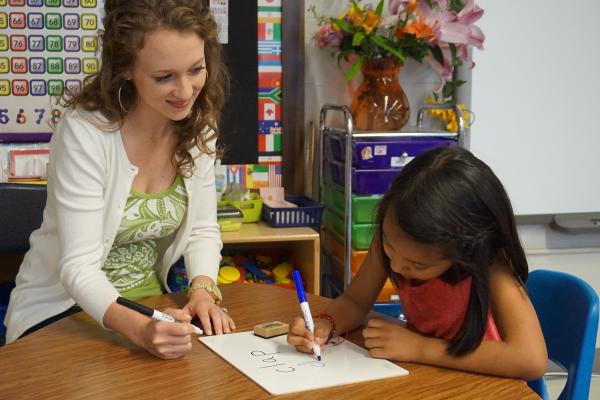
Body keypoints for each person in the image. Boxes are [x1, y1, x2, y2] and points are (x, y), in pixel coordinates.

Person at [4, 0, 235, 359]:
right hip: (62, 314)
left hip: (151, 306)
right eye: (164, 77)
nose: (186, 91)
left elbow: (203, 229)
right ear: (126, 68)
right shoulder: (85, 131)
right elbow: (77, 268)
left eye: (196, 69)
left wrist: (202, 291)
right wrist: (141, 330)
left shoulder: (198, 125)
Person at [288, 146, 548, 380]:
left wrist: (420, 348)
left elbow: (531, 360)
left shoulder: (491, 266)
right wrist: (325, 325)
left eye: (419, 265)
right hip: (428, 377)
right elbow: (355, 302)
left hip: (484, 385)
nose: (398, 266)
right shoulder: (396, 237)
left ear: (466, 251)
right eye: (389, 246)